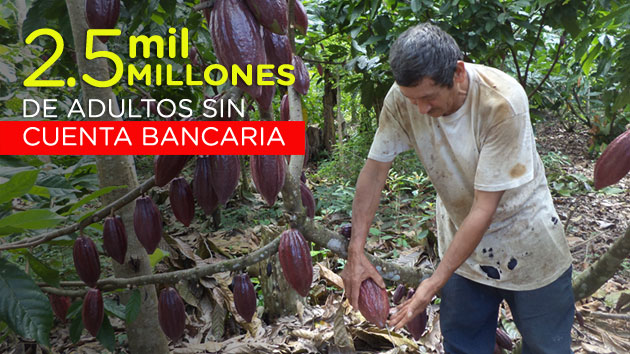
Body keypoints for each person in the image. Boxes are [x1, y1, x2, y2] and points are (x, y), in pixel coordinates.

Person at [340, 23, 574, 354]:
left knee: (545, 347)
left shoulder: (501, 102)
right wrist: (356, 251)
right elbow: (376, 170)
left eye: (428, 98)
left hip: (528, 240)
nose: (420, 110)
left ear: (458, 73)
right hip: (462, 252)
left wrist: (433, 283)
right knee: (464, 347)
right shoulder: (403, 98)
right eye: (412, 99)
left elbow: (484, 207)